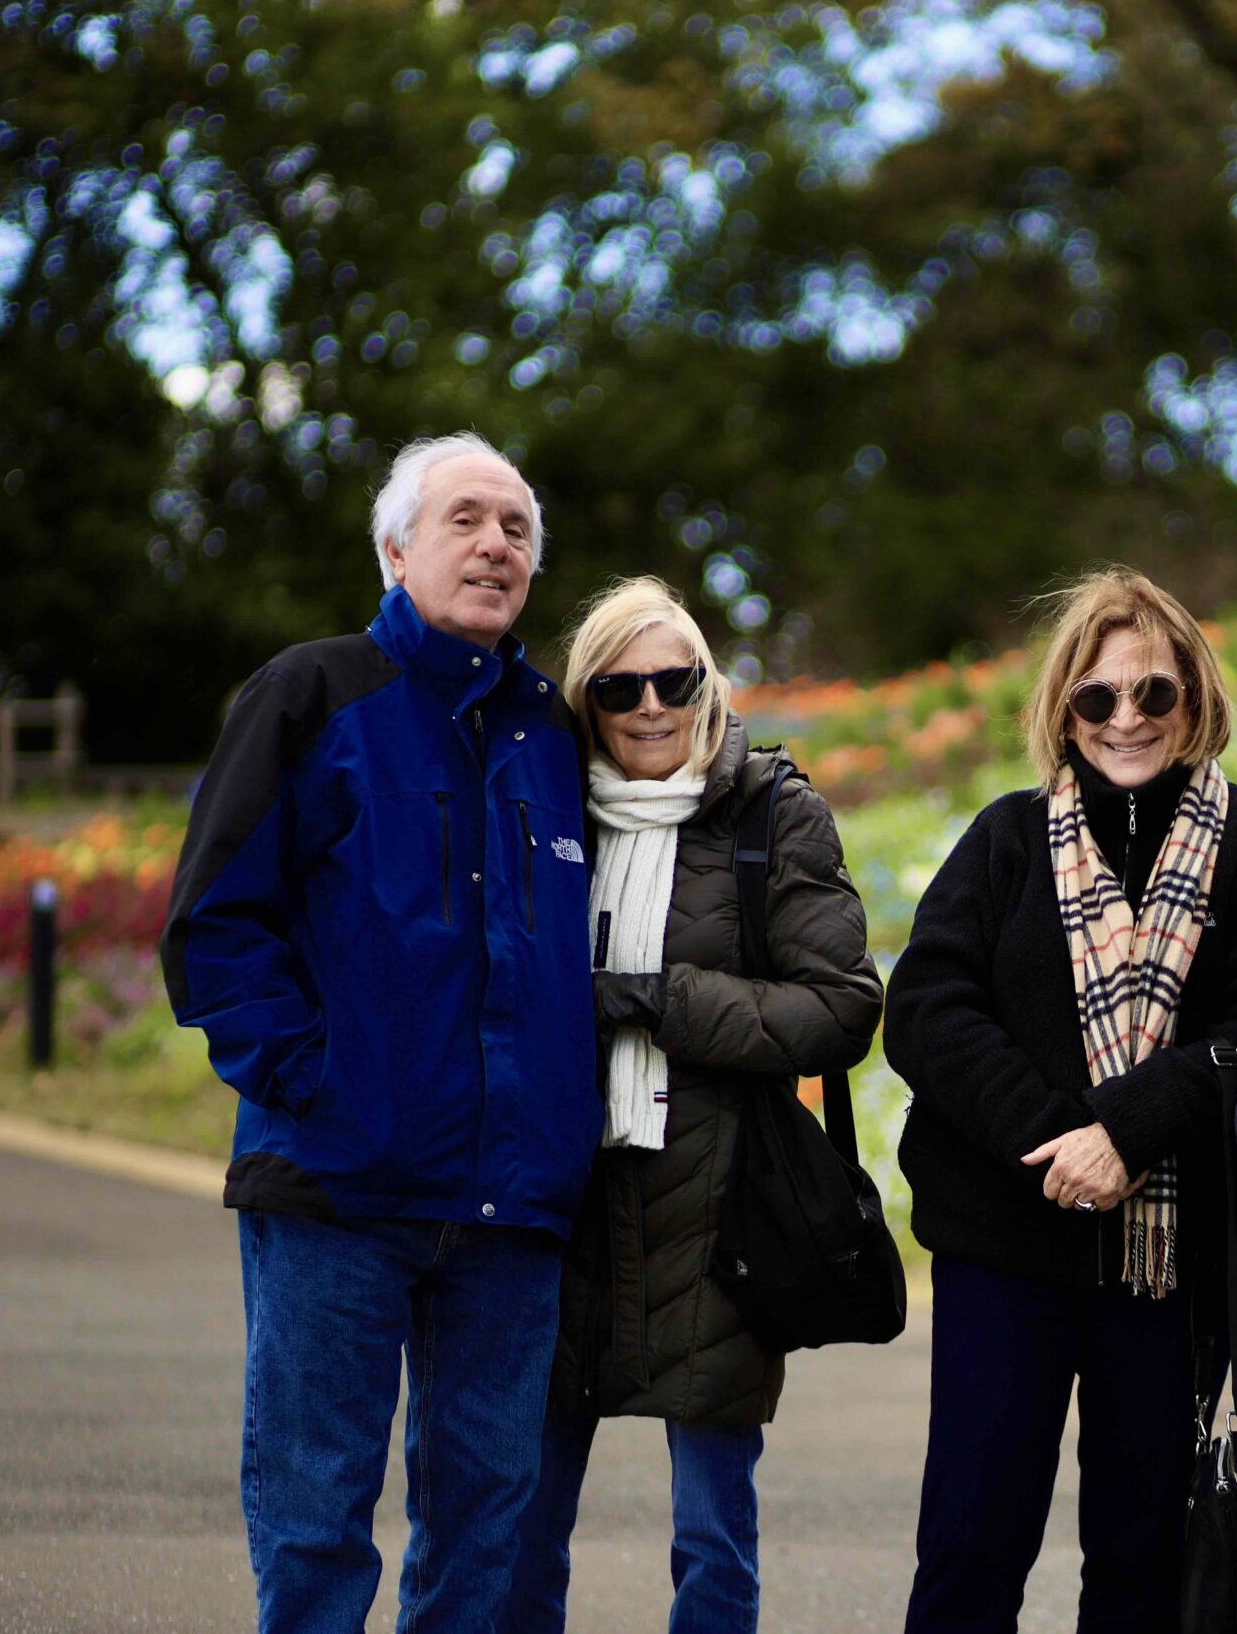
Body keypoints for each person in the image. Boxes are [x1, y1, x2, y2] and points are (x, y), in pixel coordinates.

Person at [161, 433, 597, 1634]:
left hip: (511, 1213)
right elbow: (213, 925)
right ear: (396, 547)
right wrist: (315, 1083)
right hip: (338, 1189)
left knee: (483, 1528)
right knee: (315, 1518)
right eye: (466, 519)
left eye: (516, 529)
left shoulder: (553, 736)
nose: (496, 545)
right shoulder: (310, 694)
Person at [886, 567, 1237, 1634]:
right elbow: (926, 1010)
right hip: (1006, 1245)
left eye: (1154, 694)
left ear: (1195, 700)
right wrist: (1059, 1139)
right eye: (1098, 697)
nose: (1127, 719)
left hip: (1171, 1263)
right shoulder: (1008, 838)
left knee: (1142, 1563)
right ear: (1063, 708)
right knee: (971, 1548)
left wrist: (1126, 1131)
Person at [508, 575, 883, 1634]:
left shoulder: (773, 810)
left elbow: (842, 1011)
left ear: (708, 684)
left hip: (722, 1205)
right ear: (587, 701)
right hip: (558, 1200)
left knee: (712, 1534)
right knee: (519, 1520)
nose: (648, 705)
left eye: (673, 678)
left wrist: (653, 1000)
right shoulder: (540, 814)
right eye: (618, 686)